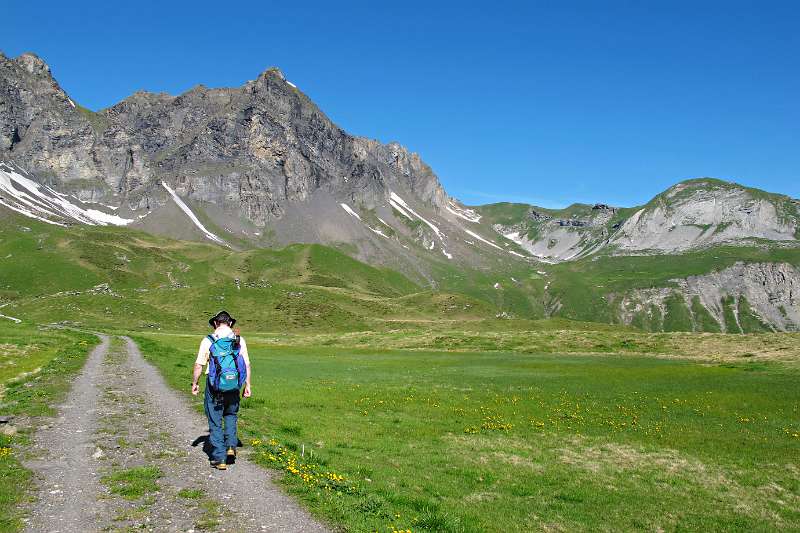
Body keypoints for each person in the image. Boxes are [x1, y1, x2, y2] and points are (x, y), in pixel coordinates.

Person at [192, 311, 251, 470]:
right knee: (231, 415)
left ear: (215, 323)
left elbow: (199, 365)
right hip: (234, 385)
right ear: (230, 323)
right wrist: (248, 385)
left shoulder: (208, 340)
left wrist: (195, 383)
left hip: (214, 386)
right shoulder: (239, 340)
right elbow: (246, 365)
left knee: (215, 419)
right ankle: (231, 446)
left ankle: (219, 458)